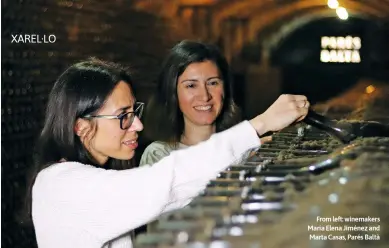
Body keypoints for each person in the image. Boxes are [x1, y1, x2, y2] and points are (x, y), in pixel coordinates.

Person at [28, 57, 310, 248]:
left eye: (134, 112)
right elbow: (169, 181)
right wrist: (257, 125)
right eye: (123, 116)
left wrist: (246, 147)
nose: (137, 124)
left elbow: (177, 191)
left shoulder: (87, 179)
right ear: (82, 126)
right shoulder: (63, 186)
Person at [140, 40, 267, 166]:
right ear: (173, 92)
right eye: (191, 85)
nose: (205, 96)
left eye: (213, 83)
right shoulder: (159, 154)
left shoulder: (245, 148)